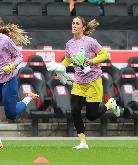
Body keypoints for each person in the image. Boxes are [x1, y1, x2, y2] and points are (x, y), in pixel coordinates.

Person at [46, 16, 120, 149]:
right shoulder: (69, 44)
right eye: (73, 23)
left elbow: (105, 55)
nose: (74, 25)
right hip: (79, 82)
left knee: (92, 116)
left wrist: (92, 61)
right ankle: (83, 142)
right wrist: (59, 68)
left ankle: (110, 104)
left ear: (83, 27)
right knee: (74, 111)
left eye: (77, 23)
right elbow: (68, 60)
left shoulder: (90, 42)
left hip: (93, 81)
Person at [0, 15, 39, 149]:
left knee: (11, 114)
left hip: (9, 80)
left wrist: (11, 66)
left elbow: (19, 56)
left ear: (0, 27)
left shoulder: (6, 40)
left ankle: (28, 98)